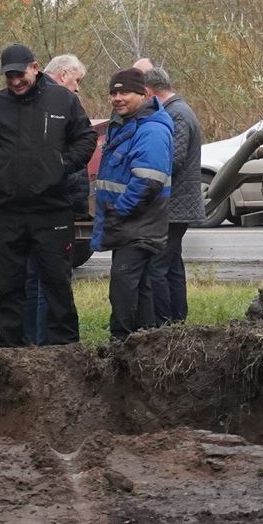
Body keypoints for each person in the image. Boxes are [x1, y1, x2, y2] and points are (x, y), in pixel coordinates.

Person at [0, 45, 98, 347]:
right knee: (10, 284)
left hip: (51, 209)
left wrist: (62, 164)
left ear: (35, 67)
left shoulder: (63, 100)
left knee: (56, 282)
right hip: (7, 210)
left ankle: (65, 348)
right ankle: (10, 350)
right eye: (9, 76)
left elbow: (86, 137)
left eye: (20, 74)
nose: (15, 81)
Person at [92, 67, 174, 339]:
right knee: (139, 289)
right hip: (128, 226)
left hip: (137, 225)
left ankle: (122, 344)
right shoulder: (128, 124)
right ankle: (144, 344)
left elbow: (148, 181)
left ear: (143, 93)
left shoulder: (151, 130)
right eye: (113, 93)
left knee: (124, 289)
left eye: (124, 92)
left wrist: (118, 211)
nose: (117, 98)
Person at [24, 53, 89, 346]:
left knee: (38, 279)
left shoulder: (40, 100)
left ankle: (36, 344)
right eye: (76, 81)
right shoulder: (54, 103)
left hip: (44, 202)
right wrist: (62, 170)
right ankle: (46, 347)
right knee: (48, 281)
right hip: (50, 205)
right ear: (63, 75)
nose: (77, 88)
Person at [143, 64, 204, 323]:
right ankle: (178, 319)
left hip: (174, 206)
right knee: (172, 265)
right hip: (178, 206)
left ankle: (164, 322)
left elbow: (173, 160)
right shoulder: (178, 110)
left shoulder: (175, 114)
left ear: (148, 92)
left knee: (157, 267)